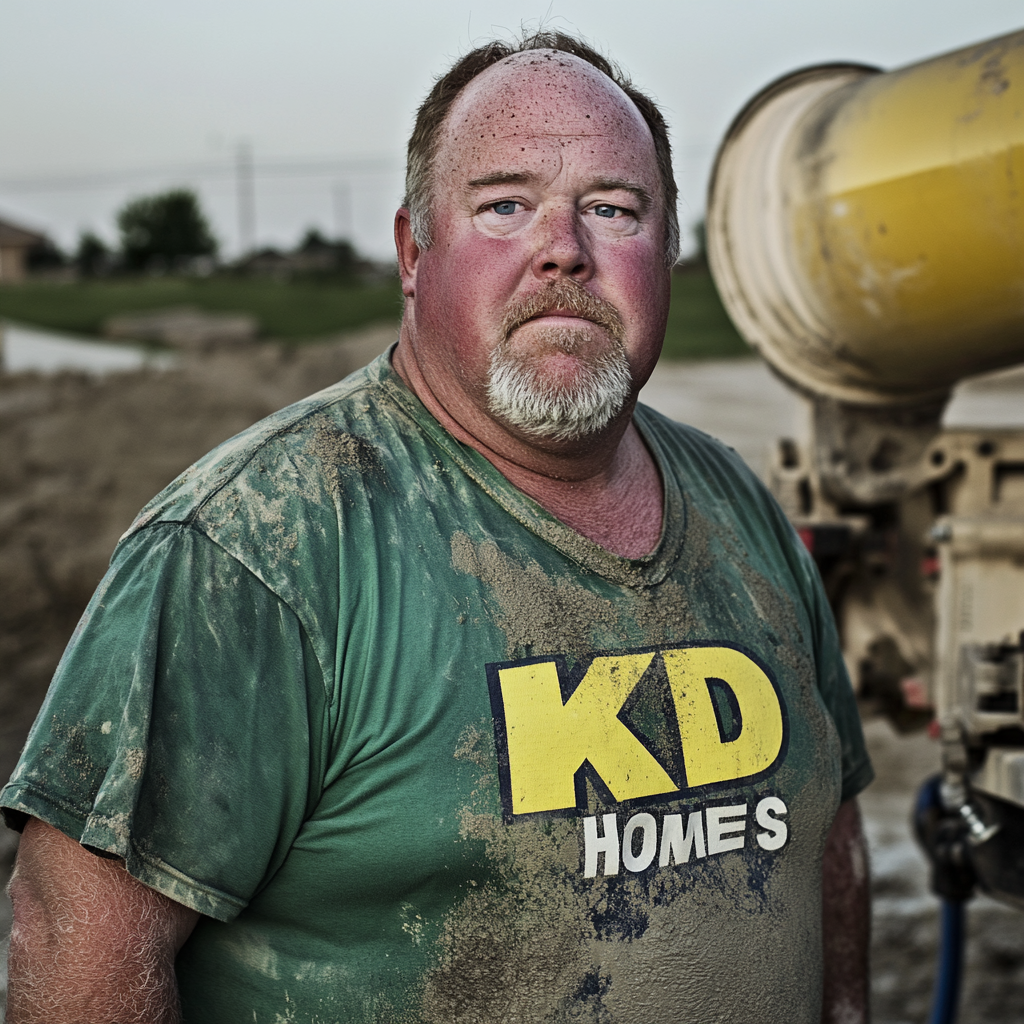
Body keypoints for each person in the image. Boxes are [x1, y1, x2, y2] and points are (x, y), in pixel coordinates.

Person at [2, 31, 872, 1024]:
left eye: (612, 209)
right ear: (415, 253)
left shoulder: (739, 508)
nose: (563, 247)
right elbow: (74, 947)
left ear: (666, 251)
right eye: (504, 205)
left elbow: (829, 832)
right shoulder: (256, 544)